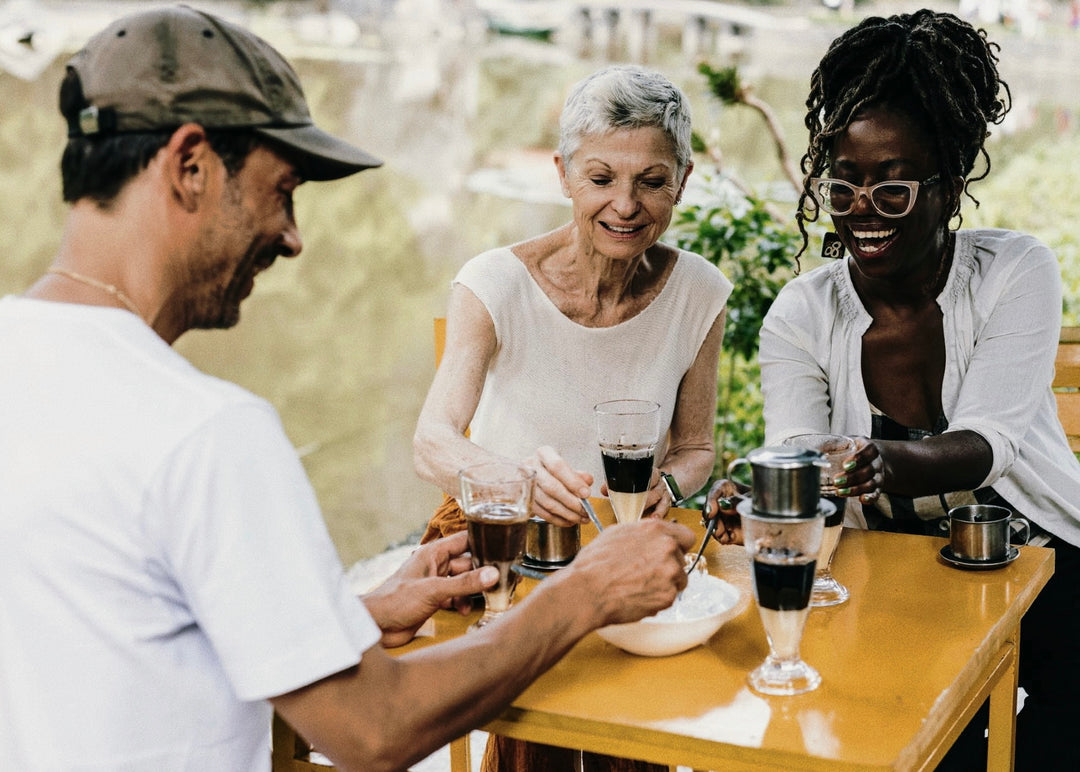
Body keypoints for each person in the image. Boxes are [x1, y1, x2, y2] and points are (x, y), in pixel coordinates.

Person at [0, 7, 697, 771]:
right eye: (283, 189)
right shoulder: (207, 432)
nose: (294, 236)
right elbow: (371, 728)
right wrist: (586, 593)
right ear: (190, 165)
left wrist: (347, 616)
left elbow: (116, 626)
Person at [709, 9, 1080, 771]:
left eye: (892, 188)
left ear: (948, 184)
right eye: (842, 185)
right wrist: (761, 486)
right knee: (900, 743)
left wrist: (873, 459)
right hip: (896, 580)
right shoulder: (803, 316)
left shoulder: (1017, 271)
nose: (861, 213)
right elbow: (797, 450)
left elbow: (988, 444)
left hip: (1044, 557)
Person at [412, 64, 732, 771]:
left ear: (682, 181)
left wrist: (668, 489)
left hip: (620, 544)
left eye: (652, 180)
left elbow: (697, 448)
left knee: (645, 720)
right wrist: (511, 478)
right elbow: (431, 442)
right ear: (562, 175)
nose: (625, 204)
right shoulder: (494, 282)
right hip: (508, 553)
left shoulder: (699, 293)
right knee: (549, 725)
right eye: (600, 178)